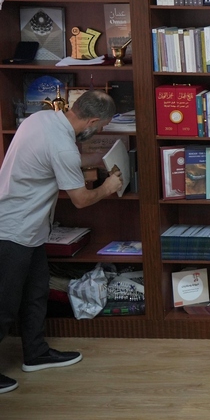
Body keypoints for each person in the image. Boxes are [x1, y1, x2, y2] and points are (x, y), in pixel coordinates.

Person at [0, 90, 122, 394]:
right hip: (12, 231)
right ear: (92, 121)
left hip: (30, 230)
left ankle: (36, 354)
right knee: (4, 306)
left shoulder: (39, 119)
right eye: (102, 126)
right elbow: (81, 200)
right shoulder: (64, 147)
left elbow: (47, 162)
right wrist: (107, 187)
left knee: (36, 293)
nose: (100, 131)